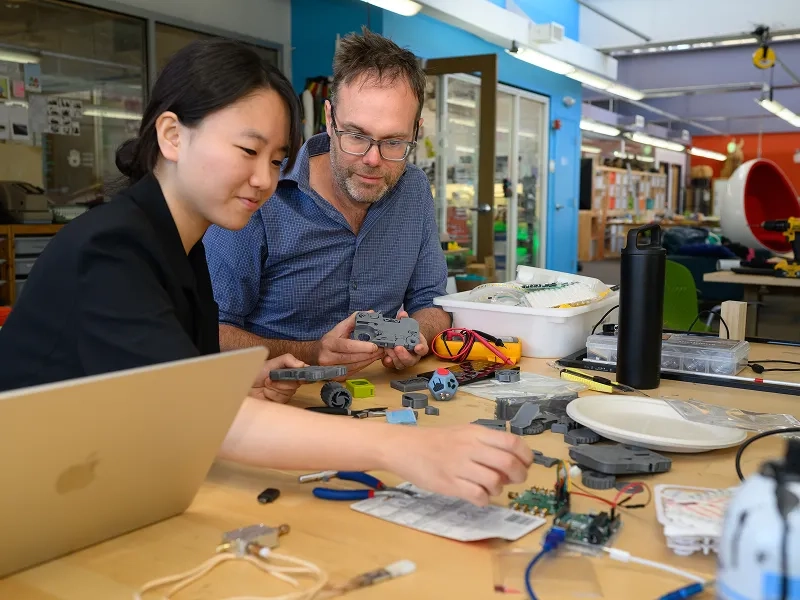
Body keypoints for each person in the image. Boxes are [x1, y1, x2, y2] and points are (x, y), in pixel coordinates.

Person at [0, 38, 531, 506]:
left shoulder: (178, 246)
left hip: (96, 483)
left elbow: (168, 389)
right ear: (172, 136)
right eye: (249, 151)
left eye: (277, 160)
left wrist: (241, 386)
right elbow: (192, 415)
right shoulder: (112, 248)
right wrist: (405, 448)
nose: (265, 179)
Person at [204, 28, 451, 374]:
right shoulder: (261, 192)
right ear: (329, 119)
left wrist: (414, 336)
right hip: (278, 403)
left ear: (416, 130)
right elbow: (209, 333)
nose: (372, 159)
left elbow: (432, 304)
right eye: (356, 135)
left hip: (382, 399)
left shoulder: (413, 189)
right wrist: (313, 351)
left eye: (394, 142)